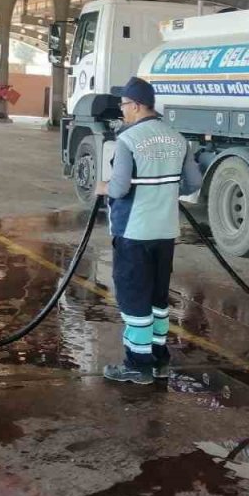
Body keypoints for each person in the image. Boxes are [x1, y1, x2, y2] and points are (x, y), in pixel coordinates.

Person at [95, 76, 203, 385]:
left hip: (134, 231)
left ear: (139, 105)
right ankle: (159, 360)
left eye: (125, 105)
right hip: (165, 231)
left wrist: (101, 187)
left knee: (133, 298)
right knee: (157, 298)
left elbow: (119, 187)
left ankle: (137, 365)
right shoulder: (177, 137)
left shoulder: (128, 140)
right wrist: (165, 189)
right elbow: (193, 183)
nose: (123, 111)